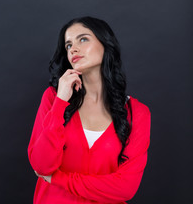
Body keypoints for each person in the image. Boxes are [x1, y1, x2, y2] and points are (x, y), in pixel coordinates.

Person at [27, 16, 151, 204]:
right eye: (68, 45)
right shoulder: (54, 98)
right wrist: (61, 101)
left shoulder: (137, 113)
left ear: (105, 43)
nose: (73, 49)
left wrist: (57, 179)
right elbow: (42, 165)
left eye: (83, 39)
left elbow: (126, 187)